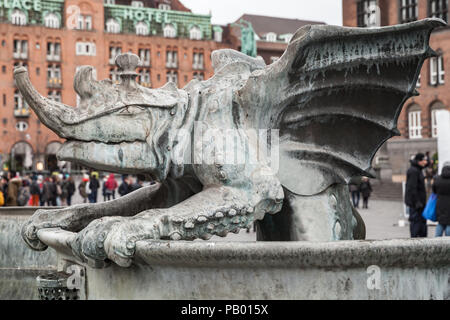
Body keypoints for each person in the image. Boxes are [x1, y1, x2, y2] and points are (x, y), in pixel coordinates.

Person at [405, 153, 428, 238]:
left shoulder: (418, 169)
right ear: (419, 161)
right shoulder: (414, 171)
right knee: (416, 223)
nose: (425, 162)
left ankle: (421, 240)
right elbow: (412, 188)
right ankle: (415, 243)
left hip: (420, 203)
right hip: (416, 204)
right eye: (424, 160)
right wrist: (417, 202)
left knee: (421, 223)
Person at [432, 162, 450, 237]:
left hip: (440, 204)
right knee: (449, 223)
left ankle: (436, 240)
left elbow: (434, 190)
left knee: (440, 222)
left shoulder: (437, 179)